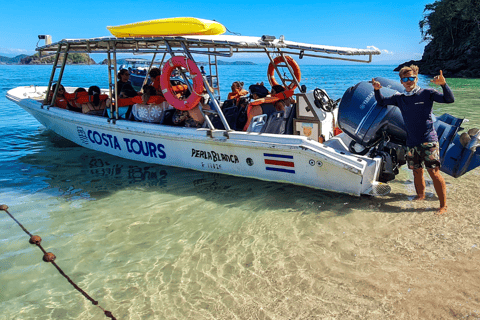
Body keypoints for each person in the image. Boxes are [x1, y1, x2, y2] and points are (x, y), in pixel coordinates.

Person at [372, 65, 454, 215]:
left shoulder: (427, 93)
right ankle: (420, 196)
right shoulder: (400, 98)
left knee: (434, 172)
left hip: (428, 140)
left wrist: (443, 85)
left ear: (416, 78)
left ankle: (443, 206)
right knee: (416, 171)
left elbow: (449, 99)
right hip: (411, 141)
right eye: (405, 79)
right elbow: (382, 102)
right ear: (401, 81)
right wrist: (377, 90)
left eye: (411, 78)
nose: (409, 81)